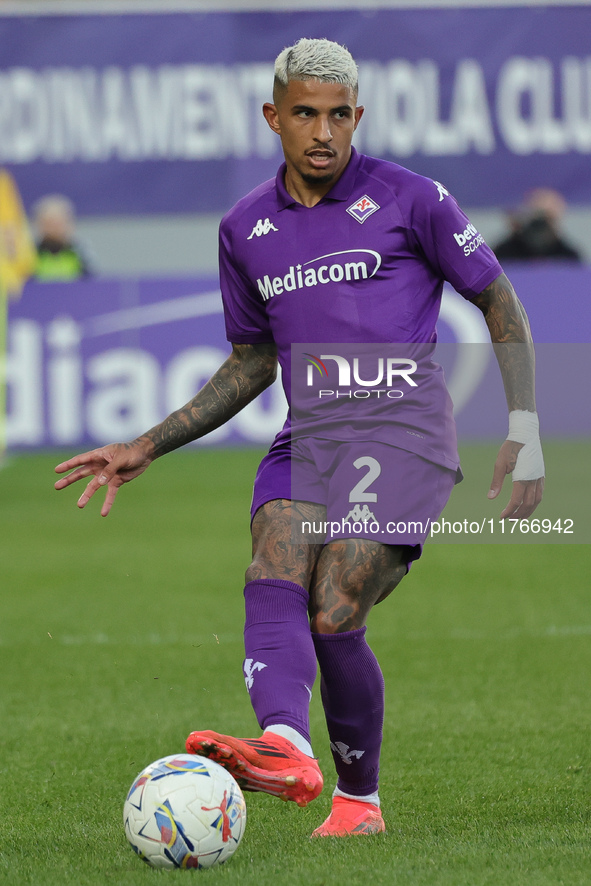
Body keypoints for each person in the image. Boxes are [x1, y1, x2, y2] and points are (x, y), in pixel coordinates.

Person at [54, 39, 544, 838]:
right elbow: (251, 360)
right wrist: (147, 443)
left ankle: (358, 799)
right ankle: (285, 743)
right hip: (307, 433)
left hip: (404, 429)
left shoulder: (410, 197)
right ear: (272, 117)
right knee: (273, 557)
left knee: (336, 599)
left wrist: (524, 427)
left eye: (339, 114)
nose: (323, 131)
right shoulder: (244, 227)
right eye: (306, 113)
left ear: (358, 117)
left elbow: (498, 300)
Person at [493, 187, 582, 262]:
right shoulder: (504, 254)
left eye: (547, 219)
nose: (540, 226)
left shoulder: (568, 257)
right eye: (537, 217)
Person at [32, 194, 94, 280]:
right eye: (49, 224)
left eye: (58, 224)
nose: (53, 229)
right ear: (39, 225)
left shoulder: (79, 253)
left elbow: (92, 283)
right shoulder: (30, 255)